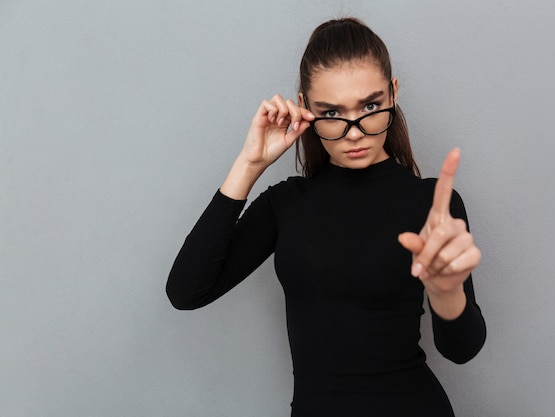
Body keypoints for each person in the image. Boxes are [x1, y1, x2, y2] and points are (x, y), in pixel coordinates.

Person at [167, 17, 486, 417]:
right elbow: (186, 292)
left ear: (393, 93)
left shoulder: (433, 203)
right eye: (331, 112)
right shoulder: (285, 204)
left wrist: (446, 292)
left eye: (370, 106)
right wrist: (250, 164)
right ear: (305, 109)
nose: (354, 132)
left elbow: (462, 350)